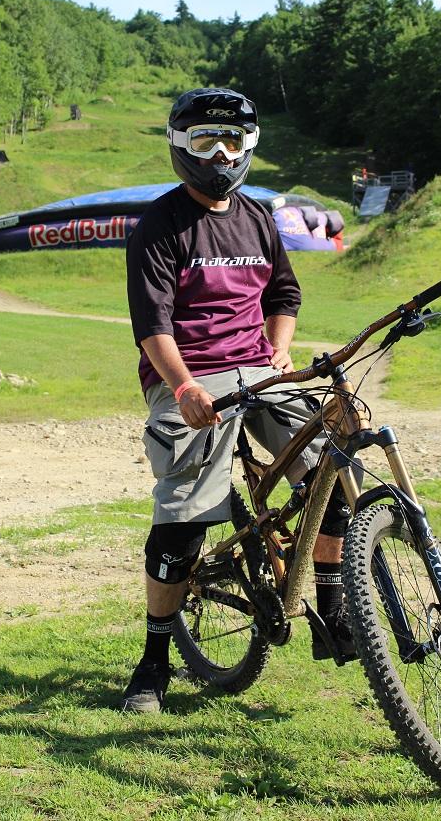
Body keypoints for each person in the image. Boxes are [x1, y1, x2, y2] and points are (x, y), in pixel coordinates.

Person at [122, 87, 354, 713]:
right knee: (181, 524)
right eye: (205, 141)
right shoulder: (159, 226)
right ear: (180, 148)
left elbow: (284, 295)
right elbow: (153, 324)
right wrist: (184, 386)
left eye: (232, 141)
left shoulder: (256, 218)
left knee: (333, 471)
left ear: (249, 147)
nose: (220, 154)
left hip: (259, 371)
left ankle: (330, 606)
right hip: (191, 377)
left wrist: (280, 350)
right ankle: (153, 662)